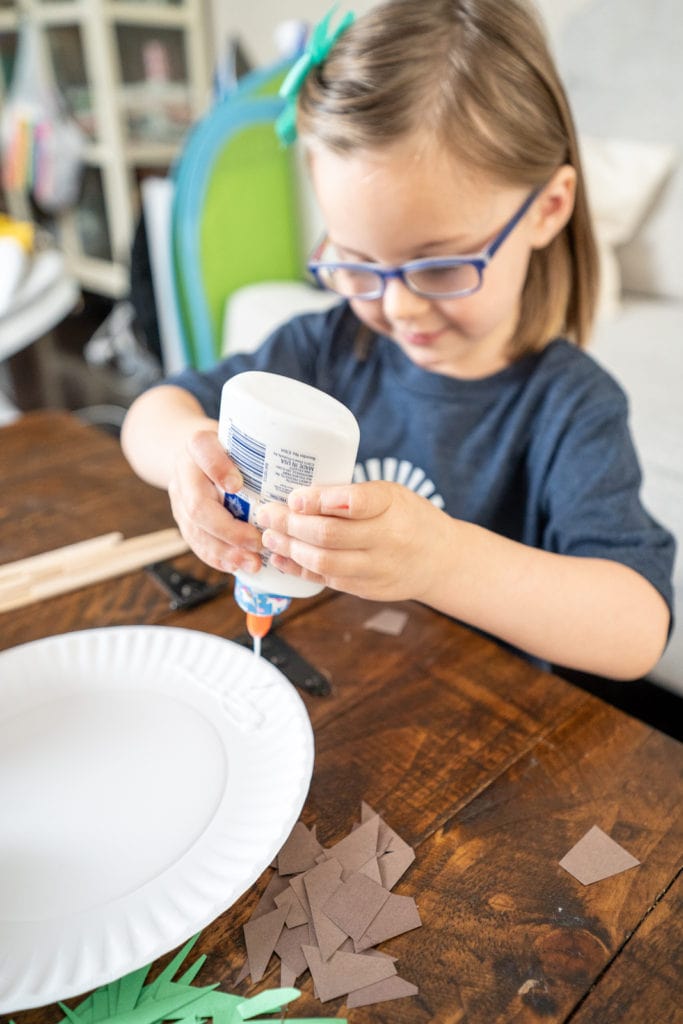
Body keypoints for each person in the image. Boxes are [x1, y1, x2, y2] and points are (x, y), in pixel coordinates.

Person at [121, 0, 675, 681]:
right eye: (355, 264)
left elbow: (638, 628)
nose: (396, 303)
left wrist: (440, 560)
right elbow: (153, 411)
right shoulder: (326, 346)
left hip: (486, 727)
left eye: (439, 265)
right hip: (351, 678)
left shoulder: (570, 405)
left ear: (548, 209)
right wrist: (190, 459)